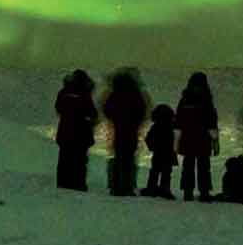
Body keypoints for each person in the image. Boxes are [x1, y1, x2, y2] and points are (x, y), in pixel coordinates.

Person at [101, 68, 150, 196]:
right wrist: (136, 122)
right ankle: (127, 186)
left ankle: (116, 186)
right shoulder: (136, 93)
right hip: (131, 130)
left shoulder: (115, 92)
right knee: (129, 158)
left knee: (118, 157)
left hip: (118, 129)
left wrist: (116, 119)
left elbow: (107, 109)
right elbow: (143, 111)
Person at [176, 72, 219, 202]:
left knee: (188, 165)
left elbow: (178, 121)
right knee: (204, 167)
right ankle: (204, 193)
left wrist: (176, 142)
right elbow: (212, 122)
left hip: (187, 138)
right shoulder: (206, 100)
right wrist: (215, 141)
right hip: (203, 139)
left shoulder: (184, 99)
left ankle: (187, 192)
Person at [54, 69, 98, 191]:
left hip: (65, 132)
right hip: (81, 134)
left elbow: (59, 108)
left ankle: (63, 183)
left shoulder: (63, 92)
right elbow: (92, 113)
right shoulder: (84, 94)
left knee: (64, 159)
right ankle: (78, 184)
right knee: (79, 161)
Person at [141, 103, 177, 199]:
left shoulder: (155, 127)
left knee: (155, 171)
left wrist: (152, 147)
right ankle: (165, 189)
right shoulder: (171, 127)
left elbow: (148, 139)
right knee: (166, 172)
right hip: (168, 153)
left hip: (158, 153)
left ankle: (151, 188)